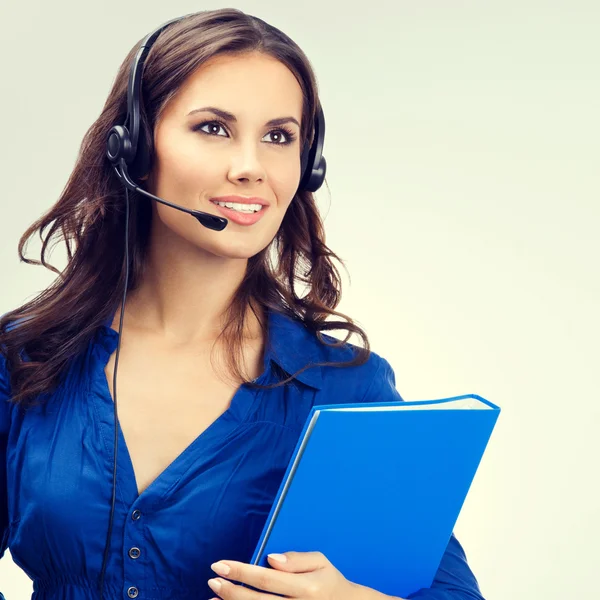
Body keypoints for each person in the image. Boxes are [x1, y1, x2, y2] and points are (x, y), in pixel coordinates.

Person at [0, 8, 485, 600]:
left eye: (279, 137)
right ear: (132, 146)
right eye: (213, 128)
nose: (251, 167)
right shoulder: (26, 359)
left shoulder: (342, 387)